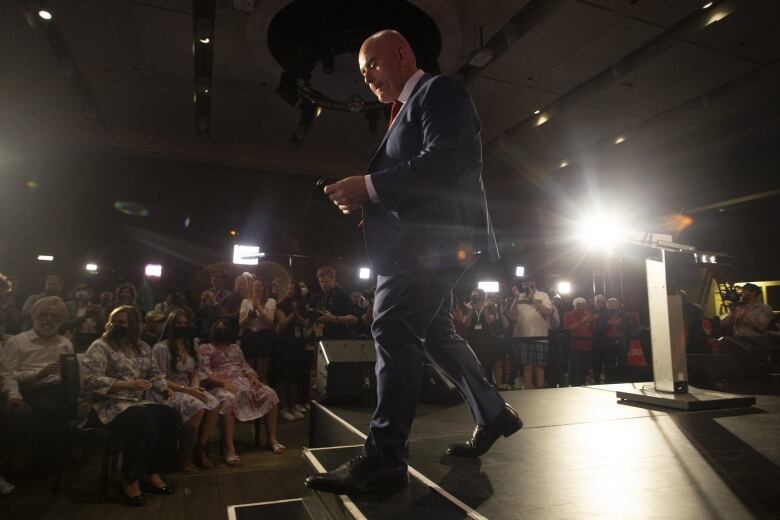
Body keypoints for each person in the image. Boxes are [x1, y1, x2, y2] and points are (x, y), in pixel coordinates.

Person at [307, 30, 520, 495]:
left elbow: (446, 159)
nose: (368, 81)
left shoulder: (440, 90)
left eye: (372, 68)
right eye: (363, 76)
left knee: (392, 328)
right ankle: (493, 413)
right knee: (436, 331)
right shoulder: (402, 110)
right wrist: (368, 196)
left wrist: (370, 187)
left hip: (433, 244)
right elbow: (416, 174)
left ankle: (385, 458)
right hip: (426, 243)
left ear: (401, 54)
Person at [79, 306, 178, 507]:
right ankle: (130, 479)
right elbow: (91, 380)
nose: (118, 326)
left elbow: (154, 373)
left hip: (134, 403)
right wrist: (126, 384)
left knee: (170, 416)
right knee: (143, 419)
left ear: (134, 326)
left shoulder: (141, 347)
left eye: (124, 323)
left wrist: (163, 388)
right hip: (103, 405)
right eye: (116, 321)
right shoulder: (100, 346)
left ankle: (152, 472)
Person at [198, 319, 284, 466]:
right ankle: (229, 448)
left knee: (270, 393)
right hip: (220, 384)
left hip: (242, 381)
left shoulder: (235, 348)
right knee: (228, 399)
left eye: (223, 327)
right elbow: (205, 372)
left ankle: (272, 439)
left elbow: (245, 367)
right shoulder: (206, 348)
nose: (221, 328)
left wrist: (253, 377)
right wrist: (223, 382)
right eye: (217, 327)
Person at [0, 296, 74, 467]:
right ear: (34, 316)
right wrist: (37, 375)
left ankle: (60, 451)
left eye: (54, 317)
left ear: (61, 321)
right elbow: (7, 374)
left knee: (75, 406)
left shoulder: (65, 343)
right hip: (30, 389)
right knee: (50, 409)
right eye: (44, 315)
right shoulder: (17, 341)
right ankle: (46, 458)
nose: (48, 319)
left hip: (58, 388)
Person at [152, 310, 221, 473]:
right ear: (171, 326)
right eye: (179, 324)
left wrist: (195, 387)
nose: (182, 327)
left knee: (215, 403)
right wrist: (188, 390)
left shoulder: (192, 344)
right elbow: (159, 379)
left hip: (189, 386)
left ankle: (200, 448)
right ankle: (184, 455)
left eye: (185, 324)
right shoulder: (161, 348)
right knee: (197, 407)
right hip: (168, 389)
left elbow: (196, 371)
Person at [507, 277, 552, 390]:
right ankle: (527, 391)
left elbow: (547, 312)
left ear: (534, 282)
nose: (526, 284)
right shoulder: (519, 296)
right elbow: (511, 317)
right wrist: (516, 298)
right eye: (524, 282)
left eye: (529, 281)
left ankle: (540, 391)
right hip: (524, 337)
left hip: (540, 336)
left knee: (539, 366)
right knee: (527, 366)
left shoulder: (543, 295)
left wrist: (533, 299)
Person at [275, 283, 306, 421]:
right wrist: (293, 313)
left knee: (295, 377)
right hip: (284, 344)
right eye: (288, 288)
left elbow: (305, 324)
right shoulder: (281, 305)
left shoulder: (301, 305)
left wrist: (297, 312)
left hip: (298, 343)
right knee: (284, 377)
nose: (290, 291)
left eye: (293, 289)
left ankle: (293, 406)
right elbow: (281, 325)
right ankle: (283, 408)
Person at [238, 278, 276, 382]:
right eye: (255, 285)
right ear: (251, 288)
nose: (257, 288)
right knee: (249, 373)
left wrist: (258, 307)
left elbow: (270, 322)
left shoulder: (270, 301)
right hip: (249, 335)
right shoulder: (245, 302)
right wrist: (250, 315)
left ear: (264, 288)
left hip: (264, 336)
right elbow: (241, 324)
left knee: (262, 374)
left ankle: (266, 396)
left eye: (260, 286)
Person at [308, 266, 359, 340]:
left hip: (337, 338)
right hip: (318, 337)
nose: (324, 284)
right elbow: (309, 319)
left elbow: (354, 319)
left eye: (326, 281)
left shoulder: (343, 295)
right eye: (321, 282)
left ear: (333, 279)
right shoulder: (316, 297)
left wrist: (333, 318)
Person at [463, 288, 499, 385]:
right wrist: (471, 309)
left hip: (487, 343)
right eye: (473, 295)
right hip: (472, 342)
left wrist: (483, 308)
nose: (474, 297)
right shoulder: (468, 307)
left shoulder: (490, 307)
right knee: (474, 367)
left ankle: (489, 387)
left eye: (477, 296)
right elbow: (466, 323)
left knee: (487, 367)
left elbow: (490, 321)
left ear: (482, 297)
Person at [564, 297, 595, 386]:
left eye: (583, 305)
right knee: (574, 367)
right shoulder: (568, 315)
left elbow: (594, 329)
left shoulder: (589, 314)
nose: (581, 307)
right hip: (575, 345)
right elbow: (570, 327)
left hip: (588, 345)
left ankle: (582, 383)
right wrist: (583, 321)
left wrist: (592, 322)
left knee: (585, 367)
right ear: (574, 306)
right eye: (578, 305)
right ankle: (573, 385)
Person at [198, 267, 233, 338]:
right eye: (212, 276)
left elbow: (224, 313)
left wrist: (214, 300)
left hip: (219, 330)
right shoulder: (207, 292)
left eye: (217, 276)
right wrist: (202, 301)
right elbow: (200, 313)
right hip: (206, 330)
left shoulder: (228, 295)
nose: (214, 278)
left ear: (223, 279)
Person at [602, 298, 630, 383]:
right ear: (607, 305)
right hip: (608, 342)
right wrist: (608, 324)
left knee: (623, 362)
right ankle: (610, 381)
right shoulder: (603, 315)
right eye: (610, 304)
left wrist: (620, 324)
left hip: (621, 341)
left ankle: (622, 380)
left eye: (614, 304)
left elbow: (628, 327)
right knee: (609, 363)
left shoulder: (623, 314)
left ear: (618, 305)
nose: (612, 306)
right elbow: (599, 329)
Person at [591, 294, 607, 384]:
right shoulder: (592, 312)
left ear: (604, 303)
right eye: (597, 301)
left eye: (601, 301)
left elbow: (607, 325)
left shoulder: (607, 312)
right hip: (595, 341)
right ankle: (596, 380)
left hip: (606, 341)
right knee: (596, 362)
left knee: (607, 362)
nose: (599, 303)